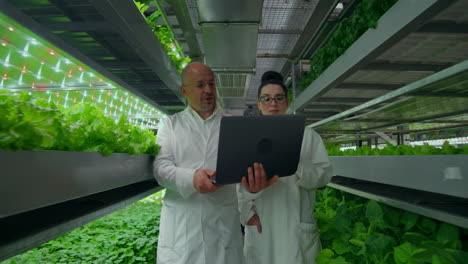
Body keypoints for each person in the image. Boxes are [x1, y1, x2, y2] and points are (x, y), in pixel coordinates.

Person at [153, 62, 275, 264]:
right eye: (200, 85)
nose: (208, 90)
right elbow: (160, 169)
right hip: (182, 235)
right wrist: (192, 179)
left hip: (223, 233)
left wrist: (253, 189)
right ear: (184, 90)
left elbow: (243, 176)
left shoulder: (234, 126)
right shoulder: (170, 125)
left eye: (211, 84)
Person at [237, 71, 333, 264]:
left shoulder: (308, 136)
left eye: (279, 98)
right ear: (259, 104)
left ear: (287, 102)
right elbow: (238, 186)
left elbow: (323, 177)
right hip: (263, 228)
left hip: (297, 227)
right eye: (266, 98)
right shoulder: (248, 138)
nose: (273, 104)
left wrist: (295, 159)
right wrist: (248, 215)